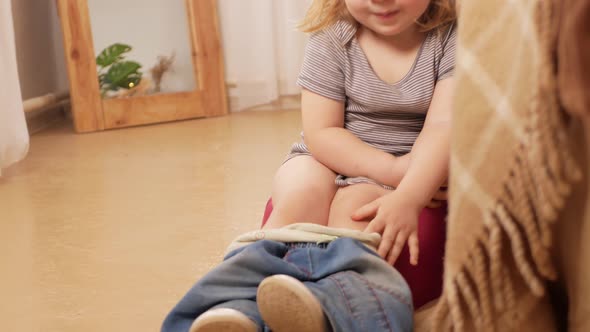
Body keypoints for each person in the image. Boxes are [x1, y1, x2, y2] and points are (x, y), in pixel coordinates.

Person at [162, 0, 456, 331]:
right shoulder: (333, 36)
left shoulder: (450, 38)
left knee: (357, 217)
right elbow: (322, 133)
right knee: (299, 192)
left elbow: (444, 126)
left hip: (402, 165)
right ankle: (234, 309)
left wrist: (411, 192)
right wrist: (394, 170)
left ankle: (324, 307)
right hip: (330, 155)